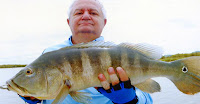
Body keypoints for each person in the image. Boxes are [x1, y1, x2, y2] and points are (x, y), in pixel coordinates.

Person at [19, 0, 153, 103]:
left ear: (104, 22)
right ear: (68, 21)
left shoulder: (122, 55)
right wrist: (30, 95)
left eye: (93, 13)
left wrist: (130, 100)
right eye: (79, 13)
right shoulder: (49, 54)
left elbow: (148, 100)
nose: (86, 16)